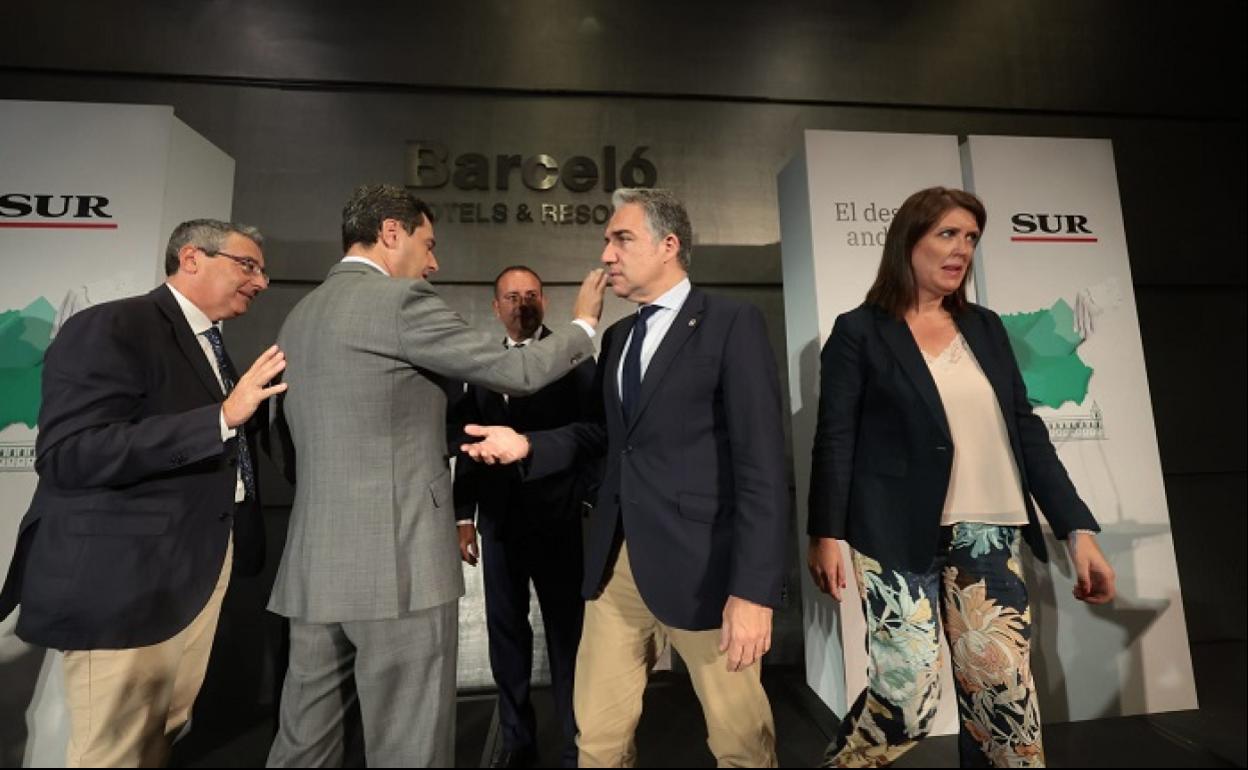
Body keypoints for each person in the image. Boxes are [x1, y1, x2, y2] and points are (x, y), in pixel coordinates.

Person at [266, 184, 605, 768]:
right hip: (397, 569)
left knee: (304, 748)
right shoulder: (400, 303)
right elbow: (515, 370)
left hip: (314, 568)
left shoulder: (300, 315)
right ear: (391, 233)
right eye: (428, 245)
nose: (434, 263)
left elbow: (289, 443)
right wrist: (584, 326)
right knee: (409, 749)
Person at [463, 187, 788, 768]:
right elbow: (604, 439)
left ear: (669, 245)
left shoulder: (731, 323)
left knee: (741, 746)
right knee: (598, 742)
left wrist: (755, 591)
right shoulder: (617, 338)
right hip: (615, 569)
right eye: (607, 241)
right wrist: (527, 444)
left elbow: (761, 464)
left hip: (707, 572)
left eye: (622, 239)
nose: (607, 254)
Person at [805, 187, 1117, 768]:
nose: (961, 250)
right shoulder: (860, 332)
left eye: (970, 238)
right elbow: (835, 438)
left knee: (1003, 704)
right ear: (909, 241)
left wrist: (1078, 530)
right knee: (908, 697)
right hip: (894, 536)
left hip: (988, 534)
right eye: (947, 234)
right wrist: (825, 532)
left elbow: (1026, 435)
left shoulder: (987, 328)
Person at [0, 219, 283, 767]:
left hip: (190, 575)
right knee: (113, 750)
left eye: (264, 270)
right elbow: (71, 452)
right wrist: (220, 418)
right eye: (248, 265)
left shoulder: (211, 343)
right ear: (192, 259)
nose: (262, 281)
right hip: (124, 581)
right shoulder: (112, 326)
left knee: (159, 736)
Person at [451, 265, 598, 768]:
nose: (522, 303)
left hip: (560, 521)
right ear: (496, 308)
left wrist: (585, 499)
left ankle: (577, 743)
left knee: (567, 635)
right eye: (511, 297)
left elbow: (597, 435)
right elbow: (470, 442)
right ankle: (517, 741)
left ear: (545, 303)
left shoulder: (575, 359)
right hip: (497, 521)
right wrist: (463, 517)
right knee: (506, 633)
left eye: (531, 294)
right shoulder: (482, 365)